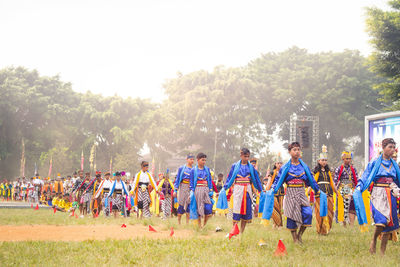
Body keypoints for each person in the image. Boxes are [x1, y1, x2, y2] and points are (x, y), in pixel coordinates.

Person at [263, 142, 324, 244]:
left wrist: (317, 190)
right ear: (289, 152)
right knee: (291, 216)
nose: (297, 152)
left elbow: (311, 180)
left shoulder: (304, 167)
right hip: (291, 192)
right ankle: (295, 238)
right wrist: (272, 189)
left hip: (301, 192)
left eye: (298, 149)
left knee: (308, 213)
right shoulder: (285, 167)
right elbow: (278, 180)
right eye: (294, 150)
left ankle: (300, 234)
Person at [354, 138, 400, 255]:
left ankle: (382, 253)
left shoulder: (394, 165)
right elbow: (366, 176)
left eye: (393, 147)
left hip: (391, 194)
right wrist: (360, 186)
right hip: (378, 193)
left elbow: (397, 180)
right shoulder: (375, 162)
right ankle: (374, 240)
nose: (392, 149)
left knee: (388, 225)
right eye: (389, 147)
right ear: (383, 148)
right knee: (381, 221)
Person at [222, 148, 262, 233]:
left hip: (247, 190)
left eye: (248, 156)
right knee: (236, 209)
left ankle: (241, 232)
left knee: (246, 211)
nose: (247, 158)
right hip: (238, 189)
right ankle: (234, 231)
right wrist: (225, 187)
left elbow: (257, 179)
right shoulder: (235, 166)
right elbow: (230, 178)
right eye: (245, 156)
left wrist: (261, 189)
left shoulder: (251, 167)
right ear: (241, 156)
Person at [313, 145, 337, 235]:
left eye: (325, 160)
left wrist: (336, 192)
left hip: (329, 193)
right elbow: (314, 182)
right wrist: (309, 192)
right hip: (320, 193)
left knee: (330, 210)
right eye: (322, 160)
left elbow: (331, 182)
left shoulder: (328, 171)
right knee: (320, 211)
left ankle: (327, 228)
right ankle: (321, 229)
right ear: (318, 161)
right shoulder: (316, 171)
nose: (324, 162)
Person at [334, 151, 359, 227]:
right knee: (342, 207)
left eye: (349, 159)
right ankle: (343, 224)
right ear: (343, 159)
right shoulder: (339, 168)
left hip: (351, 188)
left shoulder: (353, 169)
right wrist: (335, 190)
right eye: (346, 159)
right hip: (342, 188)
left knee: (351, 207)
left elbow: (356, 179)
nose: (348, 160)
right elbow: (335, 180)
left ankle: (351, 225)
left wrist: (357, 188)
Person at [189, 152, 214, 228]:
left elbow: (209, 180)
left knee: (208, 208)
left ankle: (205, 225)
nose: (204, 162)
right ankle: (200, 226)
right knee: (198, 208)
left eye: (205, 160)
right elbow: (191, 181)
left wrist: (210, 189)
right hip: (197, 190)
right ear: (198, 160)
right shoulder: (193, 170)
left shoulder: (207, 169)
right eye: (202, 160)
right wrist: (192, 191)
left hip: (206, 190)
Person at [174, 155, 194, 224]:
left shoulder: (194, 169)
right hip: (183, 187)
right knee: (181, 204)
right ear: (187, 159)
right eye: (191, 159)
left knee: (189, 204)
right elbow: (177, 179)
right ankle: (179, 222)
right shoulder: (182, 168)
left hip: (190, 188)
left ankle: (187, 223)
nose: (192, 161)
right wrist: (175, 190)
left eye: (193, 159)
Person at [266, 161, 284, 228]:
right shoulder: (272, 172)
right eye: (278, 163)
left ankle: (280, 225)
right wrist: (267, 190)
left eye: (281, 163)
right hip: (273, 192)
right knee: (273, 208)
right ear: (275, 164)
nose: (279, 165)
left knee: (279, 208)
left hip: (281, 192)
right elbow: (269, 181)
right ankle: (275, 223)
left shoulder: (283, 172)